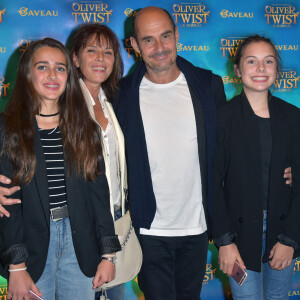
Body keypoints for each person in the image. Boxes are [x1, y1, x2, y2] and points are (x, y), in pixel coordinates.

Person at [116, 6, 226, 300]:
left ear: (177, 35)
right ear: (135, 46)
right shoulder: (121, 94)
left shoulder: (209, 85)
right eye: (148, 40)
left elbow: (229, 149)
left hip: (197, 225)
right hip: (148, 227)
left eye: (165, 36)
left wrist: (276, 169)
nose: (160, 47)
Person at [0, 38, 121, 300]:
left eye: (60, 68)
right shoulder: (8, 129)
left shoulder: (84, 128)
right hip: (29, 249)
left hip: (81, 247)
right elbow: (8, 205)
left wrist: (108, 254)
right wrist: (16, 264)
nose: (53, 75)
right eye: (42, 67)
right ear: (27, 73)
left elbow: (99, 195)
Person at [212, 35, 300, 300]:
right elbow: (212, 184)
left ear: (276, 68)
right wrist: (225, 242)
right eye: (252, 61)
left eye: (268, 61)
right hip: (238, 235)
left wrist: (290, 240)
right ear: (238, 69)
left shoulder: (293, 116)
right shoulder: (221, 119)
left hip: (282, 231)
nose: (261, 68)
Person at [70, 23, 128, 300]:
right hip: (79, 225)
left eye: (108, 52)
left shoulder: (112, 100)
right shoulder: (63, 103)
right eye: (91, 50)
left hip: (116, 219)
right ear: (75, 58)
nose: (101, 59)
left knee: (115, 293)